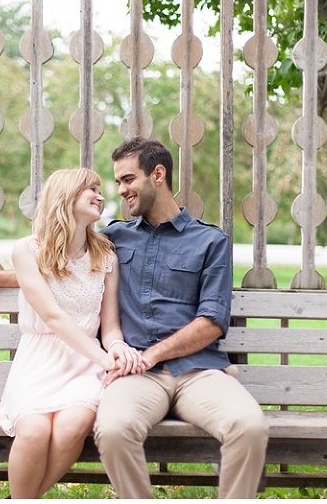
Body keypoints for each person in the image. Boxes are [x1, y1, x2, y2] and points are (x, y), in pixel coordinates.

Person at [0, 167, 144, 499]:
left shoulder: (105, 255)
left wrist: (114, 350)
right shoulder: (28, 249)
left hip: (85, 365)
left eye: (101, 190)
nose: (101, 196)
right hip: (39, 362)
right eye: (91, 189)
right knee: (34, 431)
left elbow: (111, 323)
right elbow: (53, 315)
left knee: (71, 428)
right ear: (66, 195)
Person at [94, 136, 269, 499]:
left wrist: (153, 355)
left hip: (198, 372)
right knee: (113, 428)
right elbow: (57, 269)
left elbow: (213, 320)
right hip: (137, 377)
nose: (122, 190)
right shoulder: (114, 237)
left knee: (248, 425)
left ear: (157, 174)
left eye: (128, 179)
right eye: (119, 182)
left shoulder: (210, 241)